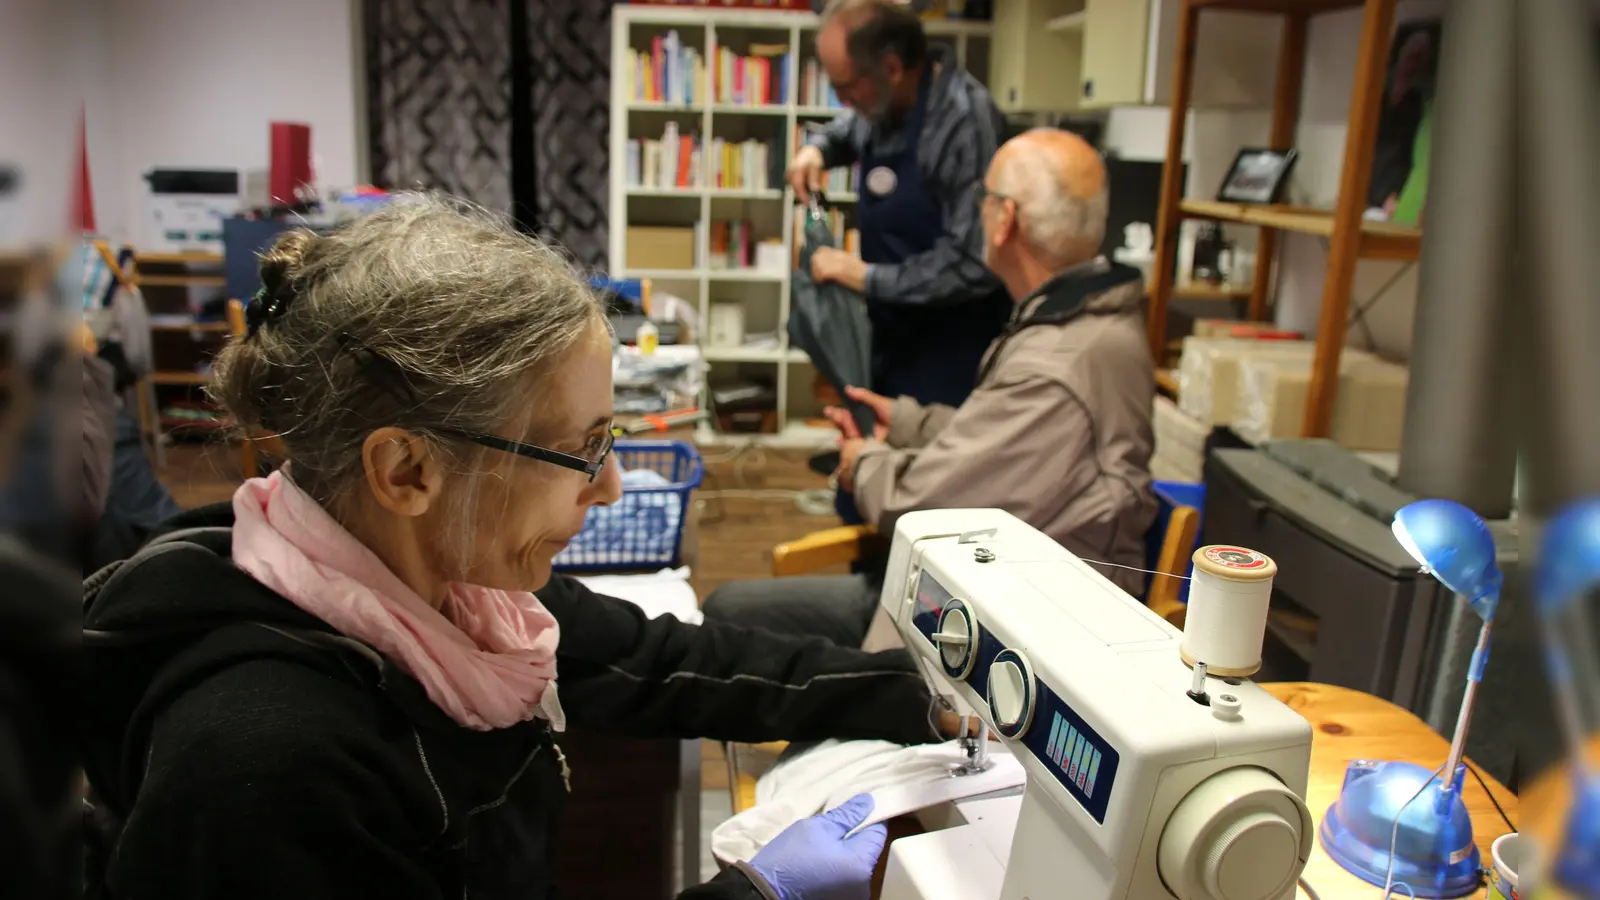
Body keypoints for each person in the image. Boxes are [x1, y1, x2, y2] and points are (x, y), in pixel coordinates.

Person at [80, 196, 972, 900]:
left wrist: (900, 694)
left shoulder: (445, 593)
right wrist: (759, 893)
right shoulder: (269, 771)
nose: (613, 484)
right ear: (407, 469)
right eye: (579, 450)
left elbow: (662, 662)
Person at [707, 128, 1157, 648]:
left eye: (982, 199)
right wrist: (903, 421)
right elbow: (1005, 448)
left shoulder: (1056, 361)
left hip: (1012, 633)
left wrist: (863, 462)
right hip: (989, 591)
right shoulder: (1085, 325)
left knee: (729, 618)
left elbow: (921, 502)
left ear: (1005, 219)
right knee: (733, 611)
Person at [790, 0, 1012, 519]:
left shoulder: (964, 122)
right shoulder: (881, 106)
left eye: (846, 86)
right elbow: (848, 129)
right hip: (890, 338)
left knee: (928, 499)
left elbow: (971, 261)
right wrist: (818, 149)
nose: (841, 99)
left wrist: (864, 276)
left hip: (951, 352)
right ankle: (865, 590)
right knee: (864, 470)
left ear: (891, 67)